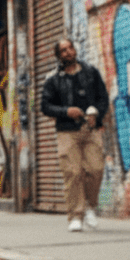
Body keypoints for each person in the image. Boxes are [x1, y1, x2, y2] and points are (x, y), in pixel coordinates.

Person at [41, 37, 109, 231]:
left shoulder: (91, 73)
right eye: (63, 50)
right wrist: (65, 112)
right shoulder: (53, 79)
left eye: (70, 48)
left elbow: (102, 98)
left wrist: (97, 112)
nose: (68, 52)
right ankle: (75, 215)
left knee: (96, 170)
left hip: (90, 129)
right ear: (58, 55)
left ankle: (90, 207)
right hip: (66, 131)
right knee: (73, 173)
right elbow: (45, 106)